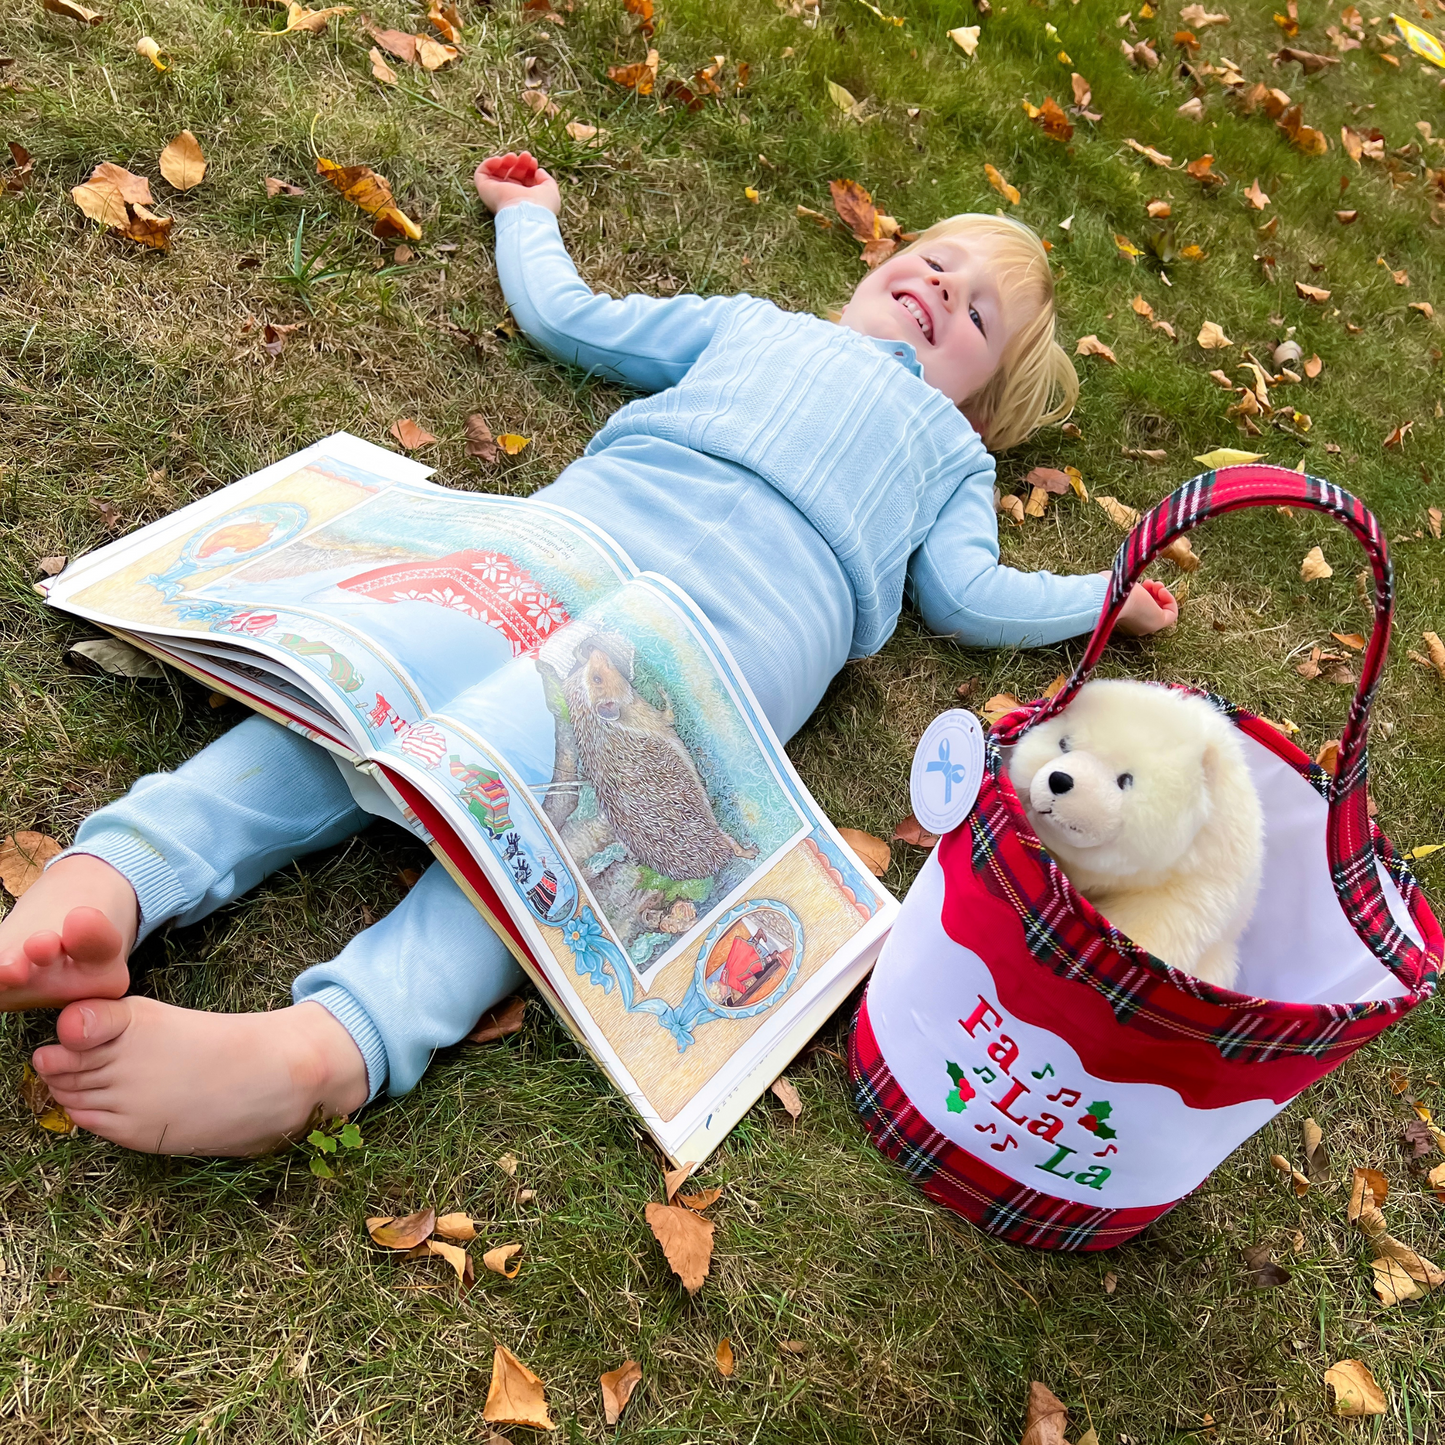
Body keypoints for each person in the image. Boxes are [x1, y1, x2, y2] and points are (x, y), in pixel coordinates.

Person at [1, 153, 1177, 1156]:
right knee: (374, 685)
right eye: (930, 260)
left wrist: (1105, 594)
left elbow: (970, 593)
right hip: (569, 544)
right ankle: (125, 870)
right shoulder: (750, 324)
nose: (940, 290)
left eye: (976, 313)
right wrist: (528, 217)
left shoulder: (950, 458)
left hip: (722, 645)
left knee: (570, 831)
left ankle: (332, 1043)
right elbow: (575, 319)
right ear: (874, 269)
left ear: (982, 400)